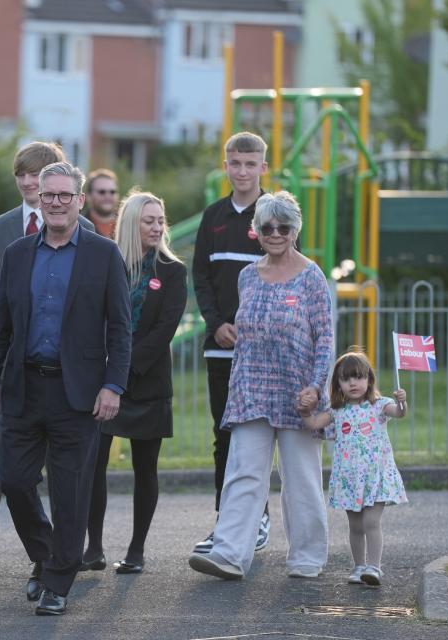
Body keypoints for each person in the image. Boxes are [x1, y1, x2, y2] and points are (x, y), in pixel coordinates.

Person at [0, 161, 131, 616]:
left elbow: (120, 328)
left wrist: (113, 385)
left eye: (65, 196)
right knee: (15, 481)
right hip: (23, 387)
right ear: (37, 200)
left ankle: (59, 582)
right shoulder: (19, 253)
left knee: (70, 492)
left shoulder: (103, 255)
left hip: (77, 393)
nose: (57, 203)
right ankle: (47, 557)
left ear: (80, 201)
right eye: (49, 196)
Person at [0, 142, 96, 572]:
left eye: (36, 174)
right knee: (0, 450)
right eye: (22, 175)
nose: (28, 182)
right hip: (8, 366)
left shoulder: (87, 232)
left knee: (60, 471)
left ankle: (55, 554)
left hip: (64, 373)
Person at [188, 190, 333, 582]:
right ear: (256, 230)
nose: (275, 233)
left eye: (283, 227)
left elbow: (325, 339)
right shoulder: (247, 276)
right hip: (251, 388)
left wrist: (316, 388)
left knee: (300, 478)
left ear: (294, 230)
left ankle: (307, 557)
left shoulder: (312, 276)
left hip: (298, 393)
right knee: (243, 473)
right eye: (267, 226)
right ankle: (230, 554)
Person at [82, 191, 187, 575]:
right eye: (149, 220)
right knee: (93, 465)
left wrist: (123, 370)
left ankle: (136, 550)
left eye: (161, 220)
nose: (158, 227)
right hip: (106, 381)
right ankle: (92, 547)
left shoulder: (173, 271)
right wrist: (108, 371)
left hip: (146, 381)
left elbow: (164, 330)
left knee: (146, 467)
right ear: (131, 224)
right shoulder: (108, 263)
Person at [191, 132, 271, 556]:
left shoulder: (276, 214)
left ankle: (257, 518)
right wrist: (217, 322)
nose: (242, 171)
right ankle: (227, 523)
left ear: (263, 167)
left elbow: (289, 275)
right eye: (235, 163)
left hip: (262, 354)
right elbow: (200, 277)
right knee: (223, 436)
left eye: (250, 164)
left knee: (255, 436)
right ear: (226, 166)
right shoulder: (213, 216)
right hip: (221, 348)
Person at [300, 350, 408, 586]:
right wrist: (305, 412)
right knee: (356, 525)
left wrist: (402, 401)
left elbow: (399, 413)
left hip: (375, 475)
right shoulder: (337, 411)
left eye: (358, 377)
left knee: (371, 522)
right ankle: (359, 566)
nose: (353, 383)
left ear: (369, 379)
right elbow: (314, 424)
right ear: (338, 384)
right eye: (346, 378)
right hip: (349, 478)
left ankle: (374, 567)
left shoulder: (379, 405)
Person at [83, 168, 119, 239]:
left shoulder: (128, 224)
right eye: (102, 192)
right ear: (89, 196)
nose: (108, 196)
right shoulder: (78, 226)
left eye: (112, 192)